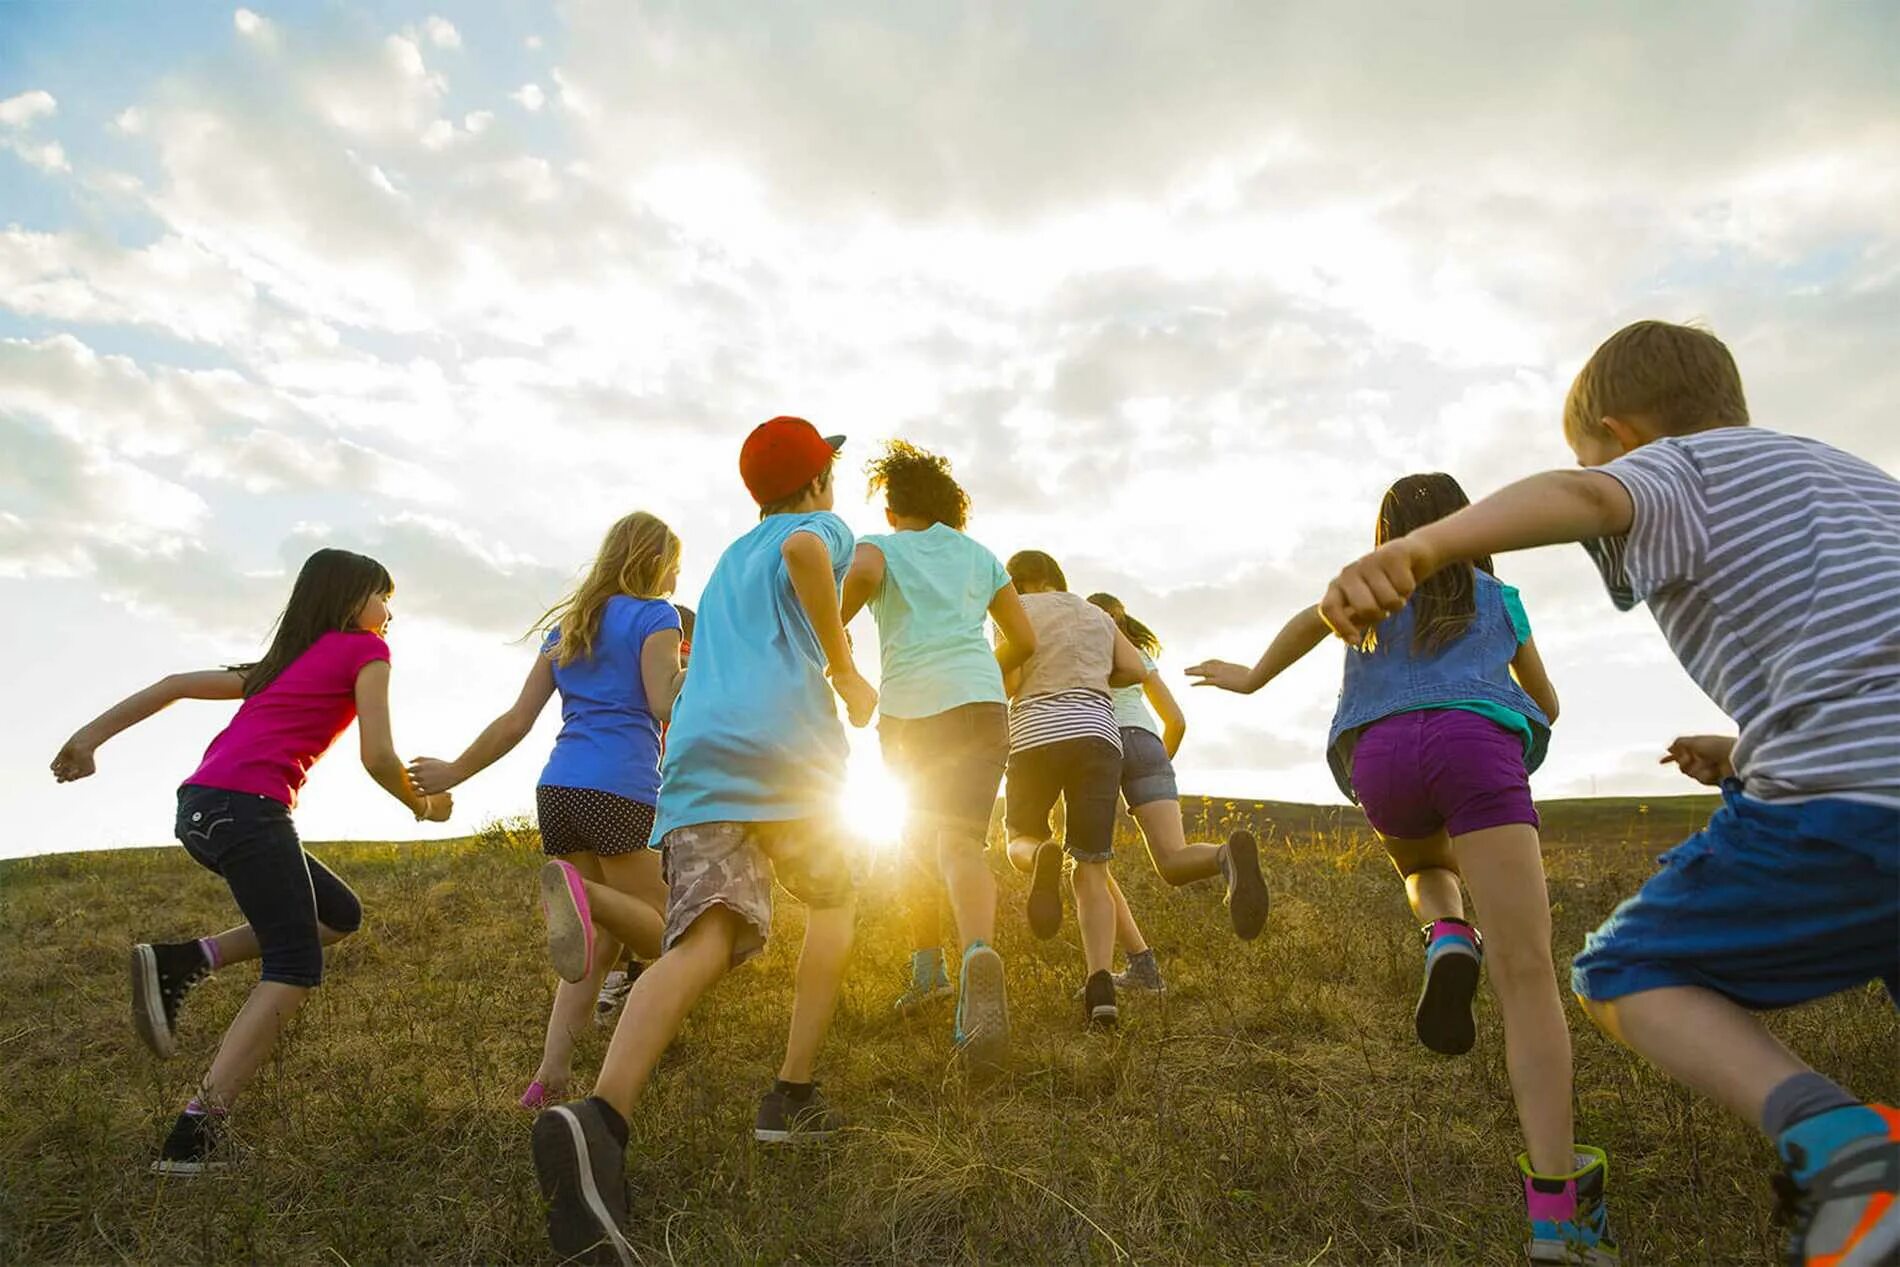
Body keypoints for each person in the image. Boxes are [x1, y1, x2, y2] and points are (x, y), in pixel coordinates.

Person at [1319, 320, 1900, 1267]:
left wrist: (1422, 549)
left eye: (1591, 454)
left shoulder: (1676, 467)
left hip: (1844, 799)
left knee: (1625, 972)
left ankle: (1840, 1142)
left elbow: (1584, 494)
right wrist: (1747, 747)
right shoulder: (1857, 481)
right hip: (1868, 770)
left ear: (1622, 435)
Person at [1192, 472, 1606, 1262]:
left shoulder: (1369, 589)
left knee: (1423, 865)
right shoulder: (1497, 596)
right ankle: (1562, 1222)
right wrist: (1502, 708)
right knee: (1527, 973)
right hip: (1474, 746)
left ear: (1387, 531)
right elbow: (1546, 701)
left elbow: (1306, 620)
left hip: (1380, 756)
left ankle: (1448, 932)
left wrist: (1247, 677)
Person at [530, 417, 877, 1266]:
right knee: (836, 900)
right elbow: (811, 558)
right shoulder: (816, 528)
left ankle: (600, 1120)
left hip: (697, 758)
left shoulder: (726, 563)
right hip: (787, 751)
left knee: (702, 937)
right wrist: (847, 670)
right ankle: (791, 1094)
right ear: (817, 483)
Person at [49, 548, 451, 1175]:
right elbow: (378, 755)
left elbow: (175, 685)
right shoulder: (366, 651)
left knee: (337, 914)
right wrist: (424, 805)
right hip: (250, 808)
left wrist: (86, 739)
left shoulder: (282, 663)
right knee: (295, 964)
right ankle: (195, 1137)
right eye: (382, 595)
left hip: (202, 809)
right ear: (350, 600)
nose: (389, 611)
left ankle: (184, 960)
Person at [407, 513, 686, 1109]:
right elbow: (664, 700)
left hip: (559, 791)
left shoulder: (571, 626)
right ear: (658, 562)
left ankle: (548, 1078)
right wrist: (706, 670)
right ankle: (582, 898)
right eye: (674, 565)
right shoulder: (656, 616)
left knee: (599, 943)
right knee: (674, 938)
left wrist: (455, 770)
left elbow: (517, 721)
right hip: (620, 789)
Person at [838, 440, 1036, 1075]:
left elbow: (862, 577)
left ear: (894, 506)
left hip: (913, 713)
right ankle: (975, 952)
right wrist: (981, 674)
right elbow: (1023, 639)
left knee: (913, 843)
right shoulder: (980, 556)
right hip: (981, 704)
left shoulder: (881, 546)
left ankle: (930, 971)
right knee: (960, 844)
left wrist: (829, 626)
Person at [998, 550, 1159, 1028]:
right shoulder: (1094, 613)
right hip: (1097, 735)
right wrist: (1090, 676)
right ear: (1056, 578)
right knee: (1092, 866)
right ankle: (1101, 985)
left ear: (1018, 582)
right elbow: (1135, 671)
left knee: (1018, 837)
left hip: (1036, 732)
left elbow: (1010, 681)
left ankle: (1039, 854)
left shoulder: (1012, 611)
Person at [1087, 591, 1268, 997]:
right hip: (1149, 744)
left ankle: (1133, 969)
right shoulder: (1137, 657)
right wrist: (1149, 770)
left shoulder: (1081, 649)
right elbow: (1177, 721)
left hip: (1098, 742)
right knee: (1172, 861)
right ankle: (1224, 855)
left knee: (1087, 866)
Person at [597, 604, 696, 1026]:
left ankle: (621, 977)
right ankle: (650, 983)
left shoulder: (640, 662)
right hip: (663, 794)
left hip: (635, 786)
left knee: (632, 894)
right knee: (661, 897)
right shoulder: (682, 662)